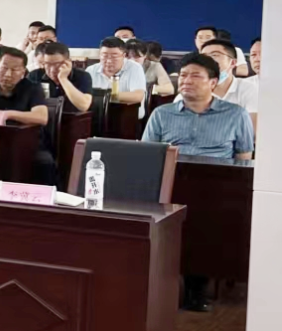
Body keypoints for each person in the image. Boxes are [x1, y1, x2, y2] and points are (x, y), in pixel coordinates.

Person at [141, 53, 255, 314]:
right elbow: (148, 156)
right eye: (183, 75)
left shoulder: (236, 115)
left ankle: (196, 288)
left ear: (213, 82)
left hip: (217, 188)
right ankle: (160, 284)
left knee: (209, 223)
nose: (186, 81)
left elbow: (243, 159)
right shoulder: (162, 114)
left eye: (195, 76)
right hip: (171, 182)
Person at [187, 39, 259, 130]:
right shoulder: (190, 91)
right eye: (204, 56)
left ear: (233, 62)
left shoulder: (249, 88)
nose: (208, 60)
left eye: (214, 55)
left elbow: (252, 129)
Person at [85, 37, 147, 117]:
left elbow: (138, 96)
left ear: (124, 56)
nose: (109, 60)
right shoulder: (91, 70)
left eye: (114, 57)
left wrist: (106, 96)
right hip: (97, 116)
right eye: (105, 56)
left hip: (128, 117)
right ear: (99, 55)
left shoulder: (135, 68)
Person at [27, 42, 93, 112]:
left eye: (57, 64)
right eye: (47, 64)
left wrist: (63, 79)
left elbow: (84, 106)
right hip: (42, 117)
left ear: (68, 62)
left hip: (72, 117)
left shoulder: (82, 76)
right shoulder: (35, 75)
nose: (52, 70)